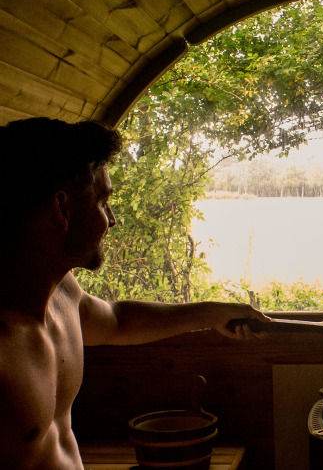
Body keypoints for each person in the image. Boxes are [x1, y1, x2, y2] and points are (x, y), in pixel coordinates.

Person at [0, 118, 270, 469]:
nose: (111, 219)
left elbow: (117, 320)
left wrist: (213, 314)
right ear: (61, 208)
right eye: (102, 201)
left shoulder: (63, 293)